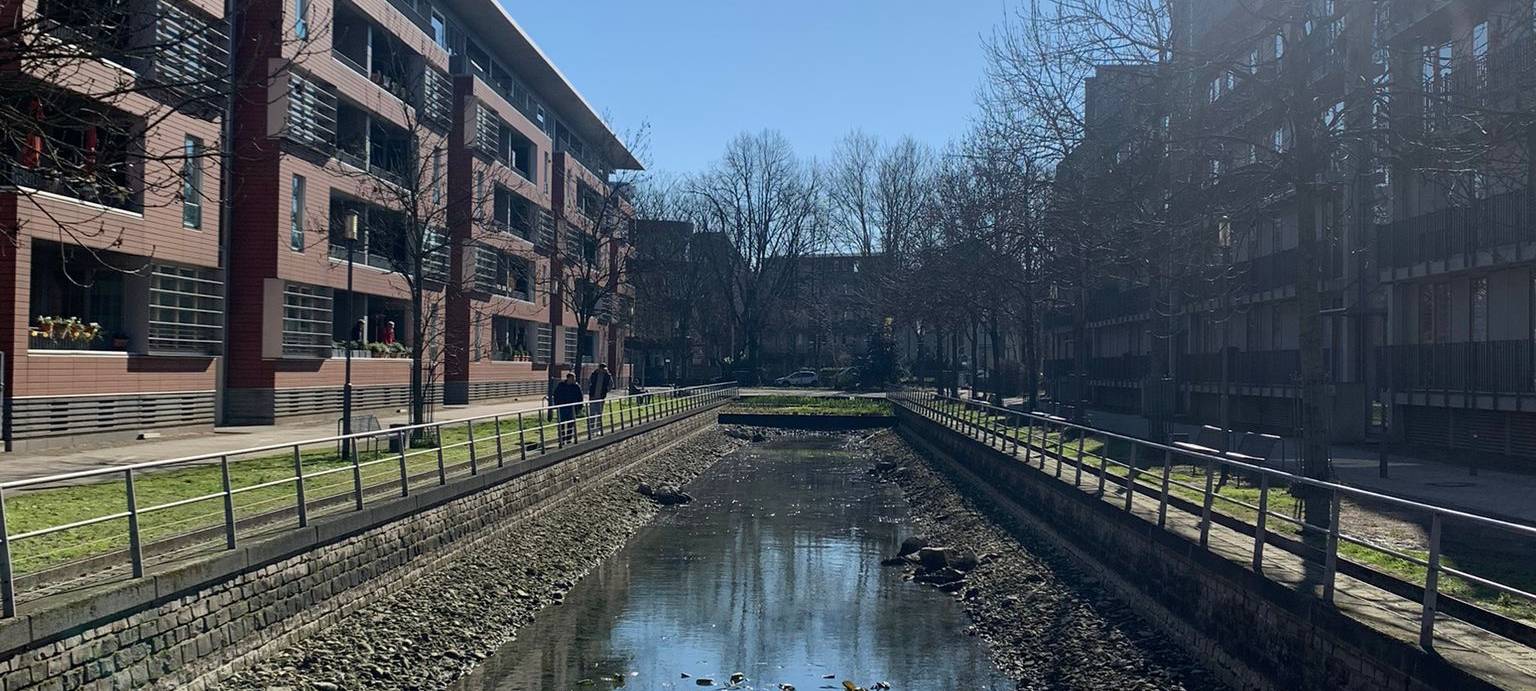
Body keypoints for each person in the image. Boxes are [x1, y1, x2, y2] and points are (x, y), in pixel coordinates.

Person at [551, 372, 583, 445]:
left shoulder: (576, 386)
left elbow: (580, 397)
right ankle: (561, 439)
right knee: (561, 424)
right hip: (562, 407)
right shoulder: (561, 385)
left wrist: (579, 407)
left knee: (570, 424)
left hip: (572, 408)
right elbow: (556, 394)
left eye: (574, 378)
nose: (574, 380)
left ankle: (568, 439)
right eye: (572, 378)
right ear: (568, 378)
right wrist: (557, 404)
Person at [587, 363, 614, 436]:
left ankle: (598, 429)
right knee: (592, 414)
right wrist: (589, 390)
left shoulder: (607, 376)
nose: (603, 370)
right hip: (593, 397)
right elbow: (589, 382)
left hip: (601, 397)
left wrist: (606, 391)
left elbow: (611, 385)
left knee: (599, 414)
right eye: (601, 369)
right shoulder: (594, 374)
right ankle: (591, 430)